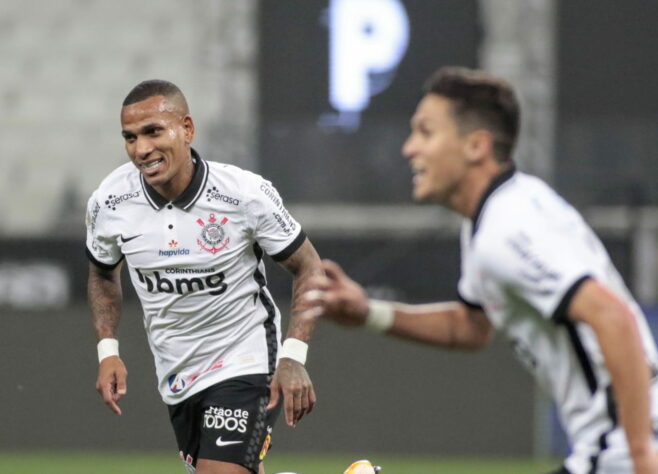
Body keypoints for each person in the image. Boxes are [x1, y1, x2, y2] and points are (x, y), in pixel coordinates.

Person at [304, 66, 658, 474]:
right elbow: (471, 326)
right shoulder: (497, 213)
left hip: (620, 446)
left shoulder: (506, 227)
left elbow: (613, 317)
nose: (409, 148)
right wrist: (370, 312)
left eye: (426, 132)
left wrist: (640, 455)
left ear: (476, 146)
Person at [85, 79, 323, 474]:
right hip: (177, 374)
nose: (141, 149)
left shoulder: (244, 195)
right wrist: (107, 350)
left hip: (244, 359)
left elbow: (309, 267)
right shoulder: (110, 201)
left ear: (187, 129)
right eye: (130, 137)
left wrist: (293, 356)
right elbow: (102, 273)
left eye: (153, 132)